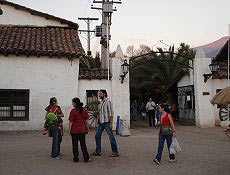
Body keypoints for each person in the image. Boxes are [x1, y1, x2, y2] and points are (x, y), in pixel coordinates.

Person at [91, 89, 119, 157]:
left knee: (111, 137)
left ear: (104, 94)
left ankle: (115, 152)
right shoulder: (101, 102)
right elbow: (101, 112)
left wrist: (111, 123)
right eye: (99, 94)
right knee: (97, 136)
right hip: (101, 122)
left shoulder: (108, 101)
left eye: (100, 94)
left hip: (107, 122)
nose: (99, 95)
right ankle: (98, 151)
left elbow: (111, 113)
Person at [69, 98, 91, 163]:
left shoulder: (73, 111)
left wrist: (69, 130)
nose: (72, 104)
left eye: (73, 102)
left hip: (74, 131)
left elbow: (71, 122)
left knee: (75, 145)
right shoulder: (84, 110)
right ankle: (86, 158)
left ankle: (76, 158)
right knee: (83, 145)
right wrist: (87, 128)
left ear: (75, 103)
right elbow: (86, 120)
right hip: (82, 130)